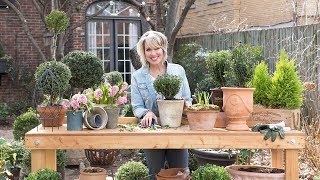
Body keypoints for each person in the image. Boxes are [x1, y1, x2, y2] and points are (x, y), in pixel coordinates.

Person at [131, 30, 192, 179]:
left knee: (180, 173)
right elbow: (137, 106)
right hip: (152, 131)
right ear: (143, 53)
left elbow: (188, 99)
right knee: (155, 174)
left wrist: (184, 106)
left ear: (163, 49)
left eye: (156, 48)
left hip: (177, 131)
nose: (153, 53)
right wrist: (147, 113)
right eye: (148, 49)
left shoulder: (178, 71)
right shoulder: (138, 76)